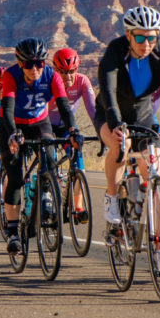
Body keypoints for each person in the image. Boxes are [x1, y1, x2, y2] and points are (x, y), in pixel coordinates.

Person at [94, 5, 160, 274]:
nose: (147, 44)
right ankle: (112, 198)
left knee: (156, 177)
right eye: (140, 37)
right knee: (120, 147)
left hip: (143, 116)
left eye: (152, 37)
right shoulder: (114, 51)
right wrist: (115, 126)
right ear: (128, 35)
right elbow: (109, 91)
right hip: (109, 113)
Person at [0, 38, 82, 254]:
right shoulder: (11, 76)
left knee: (50, 158)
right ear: (20, 64)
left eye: (39, 63)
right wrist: (13, 135)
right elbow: (7, 109)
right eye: (29, 64)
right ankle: (13, 231)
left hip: (39, 122)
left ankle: (45, 196)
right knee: (16, 176)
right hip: (13, 125)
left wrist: (73, 130)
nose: (34, 69)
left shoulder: (52, 76)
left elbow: (64, 106)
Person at [48, 48, 96, 223]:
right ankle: (49, 200)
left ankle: (78, 207)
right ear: (55, 70)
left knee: (78, 158)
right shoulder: (49, 81)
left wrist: (102, 133)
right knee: (50, 160)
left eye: (71, 72)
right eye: (62, 72)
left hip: (67, 127)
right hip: (46, 125)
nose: (67, 76)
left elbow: (93, 111)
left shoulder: (83, 82)